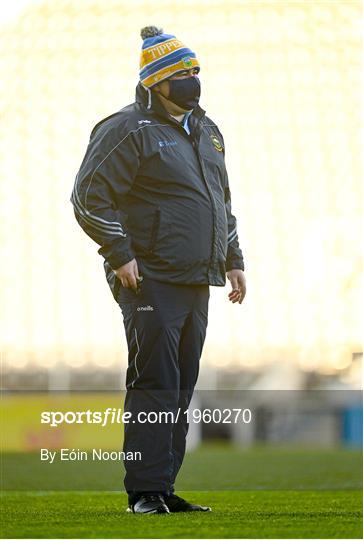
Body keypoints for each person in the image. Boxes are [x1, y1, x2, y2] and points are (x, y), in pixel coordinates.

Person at [70, 26, 246, 514]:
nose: (194, 80)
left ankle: (164, 487)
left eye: (197, 71)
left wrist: (234, 260)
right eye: (184, 73)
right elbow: (88, 196)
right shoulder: (126, 128)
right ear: (158, 81)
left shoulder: (208, 131)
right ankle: (144, 492)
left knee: (181, 384)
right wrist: (120, 252)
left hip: (197, 278)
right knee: (155, 381)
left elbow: (221, 203)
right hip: (149, 278)